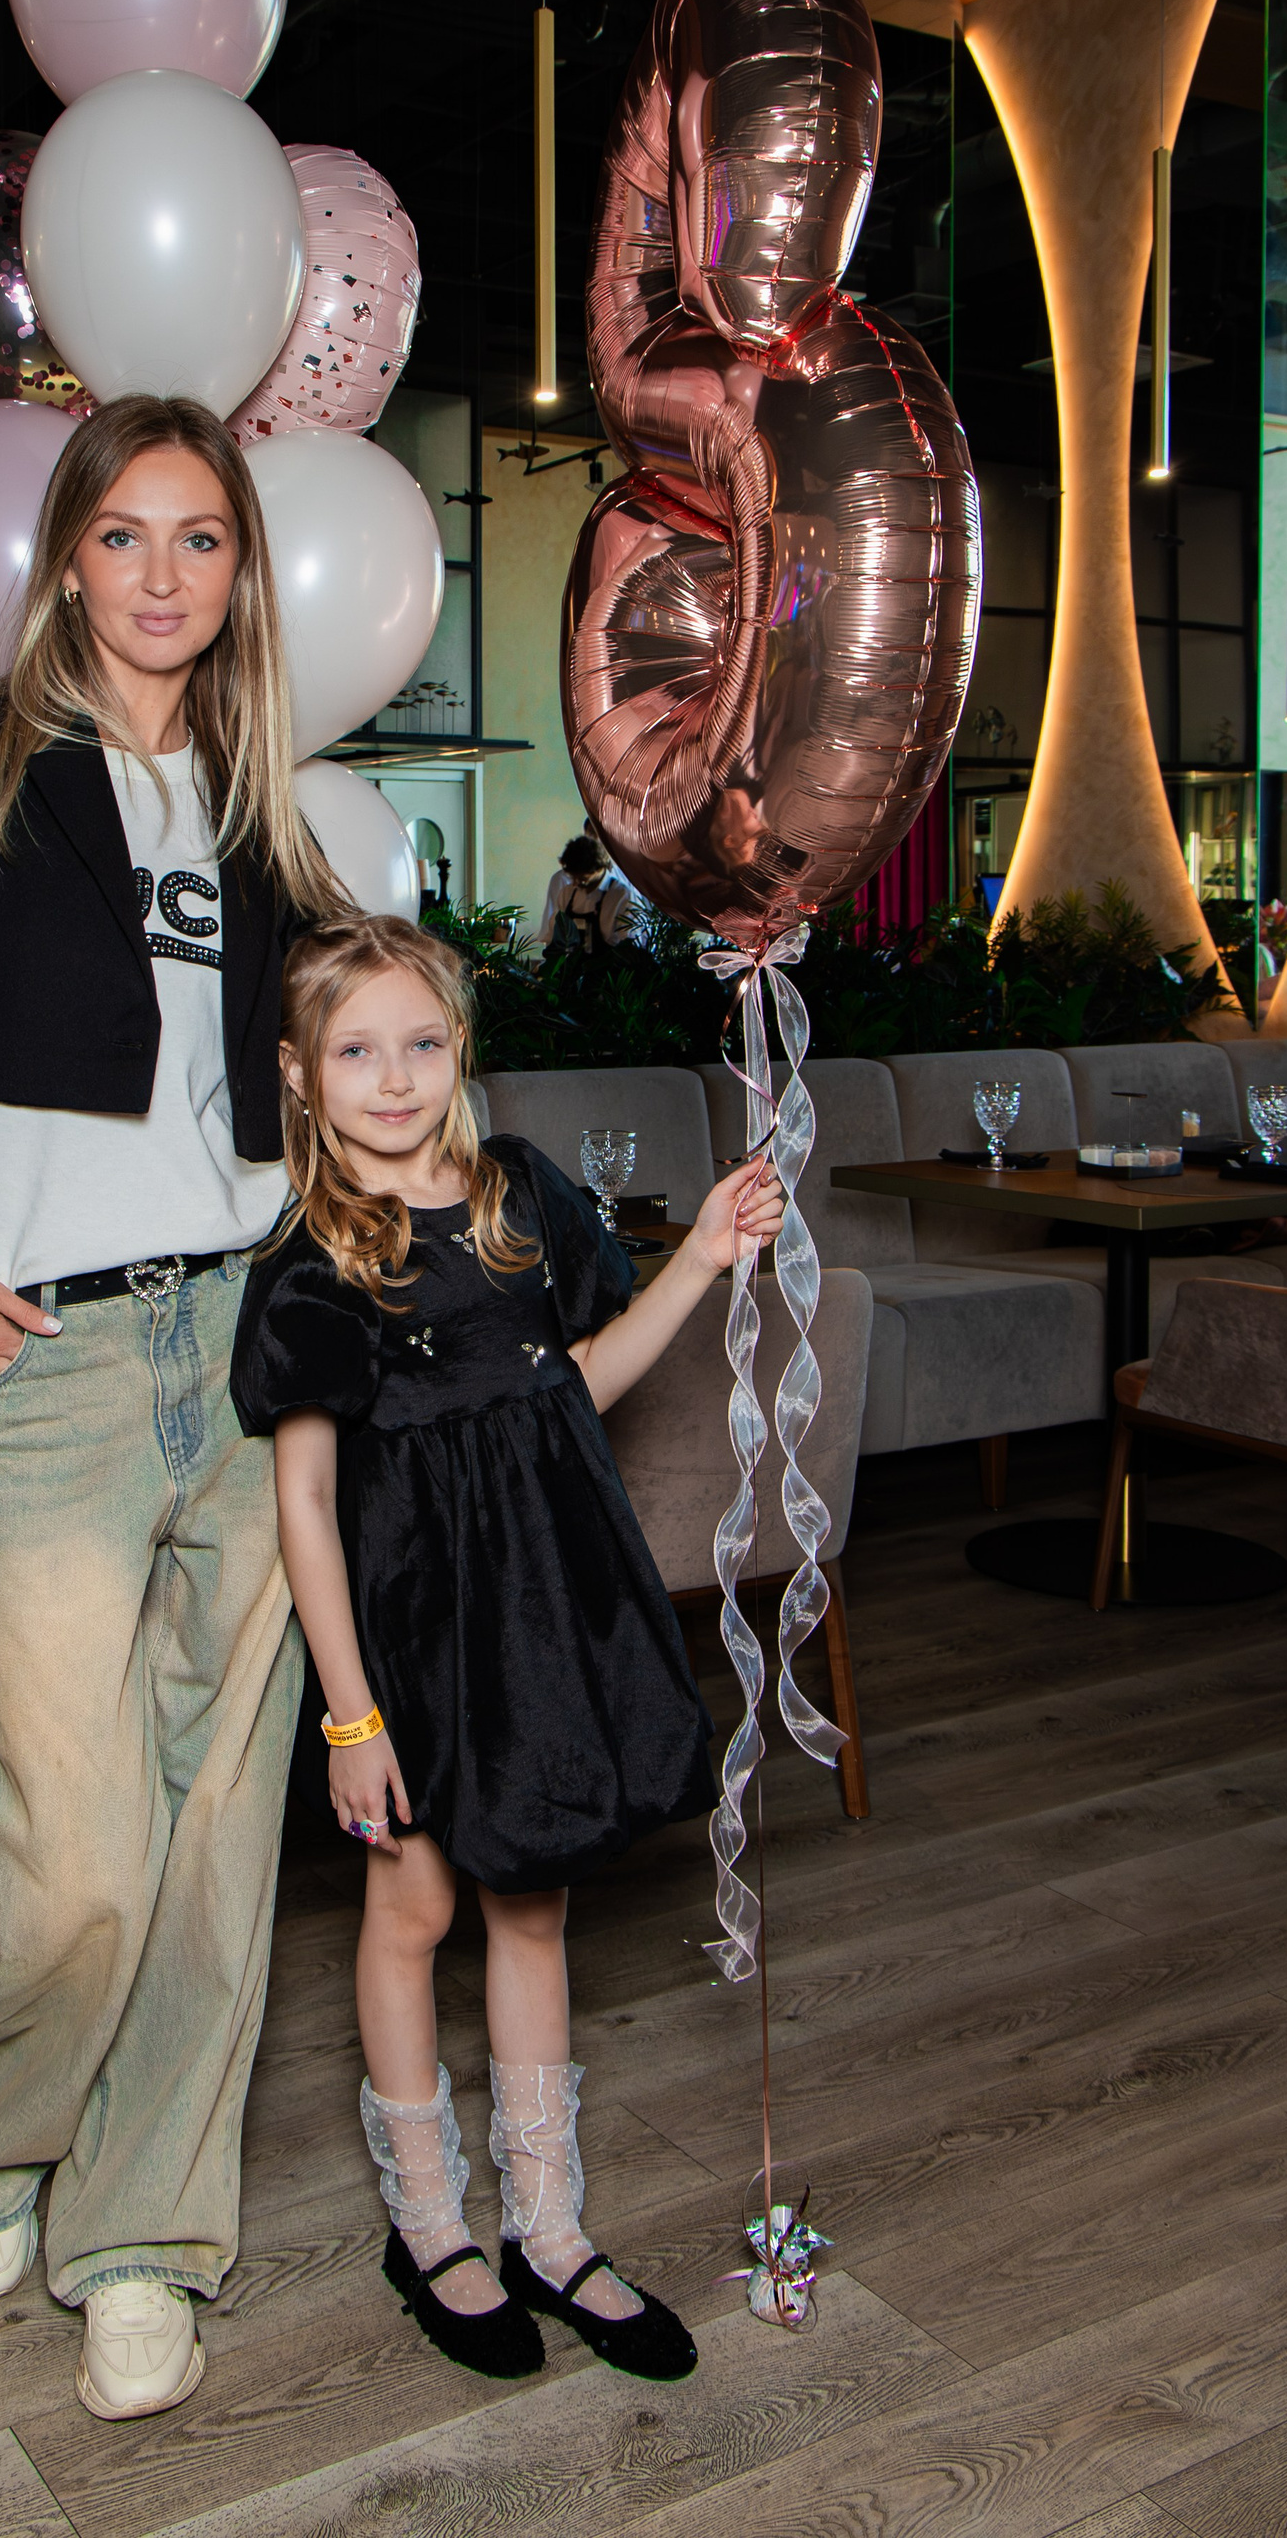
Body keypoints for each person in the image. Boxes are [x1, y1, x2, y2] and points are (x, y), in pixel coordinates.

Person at [0, 394, 340, 2425]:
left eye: (202, 539)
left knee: (216, 1838)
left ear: (241, 571)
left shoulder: (266, 805)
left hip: (249, 1346)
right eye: (125, 536)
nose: (162, 577)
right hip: (42, 1364)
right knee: (77, 1848)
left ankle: (143, 2240)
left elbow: (309, 1090)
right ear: (67, 559)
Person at [228, 915, 784, 2382]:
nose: (395, 1077)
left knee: (532, 1908)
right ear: (300, 1074)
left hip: (541, 1606)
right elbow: (303, 1503)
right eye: (357, 1050)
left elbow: (575, 1385)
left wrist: (703, 1257)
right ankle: (431, 2228)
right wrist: (350, 1718)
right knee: (412, 1908)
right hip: (410, 1632)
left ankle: (549, 2225)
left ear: (459, 1048)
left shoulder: (521, 1194)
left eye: (422, 1042)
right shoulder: (310, 1259)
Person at [537, 832, 636, 959]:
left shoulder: (621, 895)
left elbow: (629, 944)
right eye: (573, 877)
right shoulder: (567, 893)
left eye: (582, 879)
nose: (575, 883)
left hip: (608, 967)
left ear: (599, 869)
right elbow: (554, 935)